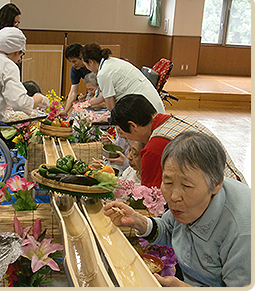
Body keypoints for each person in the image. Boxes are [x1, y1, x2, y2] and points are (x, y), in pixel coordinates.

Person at [104, 131, 251, 287]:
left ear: (215, 185)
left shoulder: (242, 232)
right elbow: (169, 228)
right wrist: (138, 221)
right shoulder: (188, 206)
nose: (174, 196)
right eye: (167, 183)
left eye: (186, 186)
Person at [110, 94, 247, 188]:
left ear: (133, 126)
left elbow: (151, 199)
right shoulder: (179, 119)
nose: (126, 139)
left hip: (220, 202)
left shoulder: (155, 147)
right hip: (239, 187)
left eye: (123, 134)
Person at [0, 27, 49, 206]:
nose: (20, 58)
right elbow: (21, 101)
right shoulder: (7, 65)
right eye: (21, 53)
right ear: (16, 51)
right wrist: (40, 100)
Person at [80, 42, 166, 113]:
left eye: (86, 65)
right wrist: (85, 104)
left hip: (145, 107)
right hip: (150, 102)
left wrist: (110, 120)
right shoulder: (111, 62)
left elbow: (111, 106)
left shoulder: (103, 73)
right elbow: (103, 96)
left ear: (90, 62)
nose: (88, 69)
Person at [59, 43, 91, 118]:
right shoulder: (75, 70)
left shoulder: (93, 66)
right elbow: (73, 91)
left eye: (74, 61)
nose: (73, 64)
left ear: (81, 57)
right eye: (70, 62)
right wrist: (65, 111)